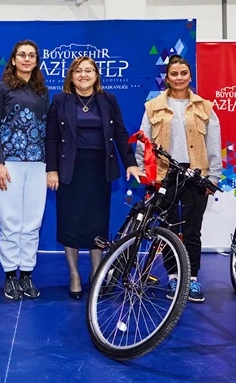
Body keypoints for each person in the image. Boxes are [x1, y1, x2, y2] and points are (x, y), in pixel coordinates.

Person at [46, 56, 141, 300]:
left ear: (96, 75)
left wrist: (131, 163)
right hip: (70, 169)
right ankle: (74, 275)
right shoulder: (60, 100)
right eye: (78, 71)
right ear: (71, 75)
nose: (83, 75)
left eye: (89, 70)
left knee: (97, 223)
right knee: (70, 222)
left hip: (99, 169)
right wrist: (52, 169)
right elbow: (52, 138)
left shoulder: (108, 100)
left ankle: (97, 273)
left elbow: (120, 133)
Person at [136, 55, 222, 303]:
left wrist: (214, 177)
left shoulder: (205, 107)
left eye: (184, 73)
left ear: (190, 76)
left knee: (193, 231)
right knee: (168, 230)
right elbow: (143, 143)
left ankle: (192, 279)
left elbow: (214, 144)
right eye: (174, 73)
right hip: (165, 176)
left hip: (197, 175)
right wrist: (145, 173)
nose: (179, 77)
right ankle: (174, 277)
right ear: (167, 77)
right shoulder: (152, 107)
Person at [0, 40, 49, 301]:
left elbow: (47, 129)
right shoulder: (1, 88)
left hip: (37, 165)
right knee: (11, 222)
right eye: (21, 55)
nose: (26, 59)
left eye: (31, 55)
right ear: (13, 60)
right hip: (8, 164)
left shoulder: (42, 91)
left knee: (32, 223)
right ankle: (10, 275)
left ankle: (27, 275)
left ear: (36, 61)